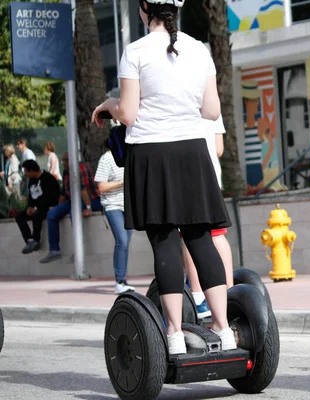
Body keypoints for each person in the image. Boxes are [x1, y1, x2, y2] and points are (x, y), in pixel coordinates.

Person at [91, 0, 236, 356]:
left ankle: (173, 333)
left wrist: (108, 105)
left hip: (152, 156)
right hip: (191, 153)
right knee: (201, 240)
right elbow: (212, 110)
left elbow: (128, 113)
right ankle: (224, 329)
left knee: (166, 244)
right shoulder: (199, 50)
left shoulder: (135, 51)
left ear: (144, 9)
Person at [182, 115, 235, 320]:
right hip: (213, 176)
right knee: (217, 233)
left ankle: (198, 297)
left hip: (190, 174)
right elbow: (219, 149)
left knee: (190, 234)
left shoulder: (183, 98)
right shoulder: (214, 107)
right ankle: (229, 292)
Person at [39, 152, 102, 264]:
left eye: (66, 160)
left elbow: (83, 190)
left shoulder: (79, 169)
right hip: (74, 200)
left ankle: (79, 250)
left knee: (74, 213)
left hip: (90, 198)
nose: (64, 163)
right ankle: (54, 250)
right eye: (63, 160)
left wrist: (88, 207)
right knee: (52, 214)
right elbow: (64, 193)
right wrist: (58, 208)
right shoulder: (66, 171)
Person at [95, 143, 135, 294]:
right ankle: (120, 281)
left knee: (125, 244)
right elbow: (101, 187)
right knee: (122, 241)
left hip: (128, 206)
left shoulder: (129, 155)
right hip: (113, 206)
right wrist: (121, 182)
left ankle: (122, 280)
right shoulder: (106, 159)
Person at [15, 160, 60, 254]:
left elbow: (51, 197)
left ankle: (36, 239)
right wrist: (30, 207)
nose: (26, 174)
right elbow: (31, 196)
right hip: (35, 207)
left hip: (47, 207)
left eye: (26, 171)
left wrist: (37, 208)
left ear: (32, 170)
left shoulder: (48, 178)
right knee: (19, 216)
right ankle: (29, 240)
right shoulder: (32, 180)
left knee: (37, 216)